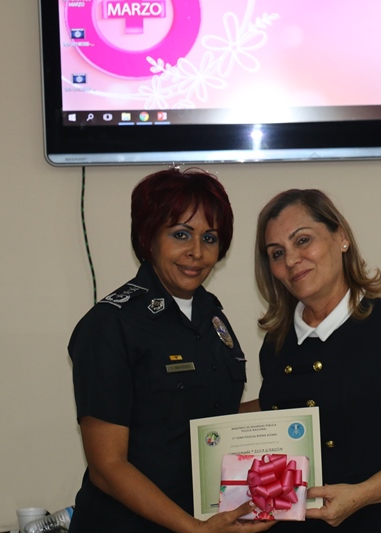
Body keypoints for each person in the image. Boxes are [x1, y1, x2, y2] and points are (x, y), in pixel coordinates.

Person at [67, 168, 273, 533]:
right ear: (148, 238)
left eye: (209, 238)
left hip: (204, 521)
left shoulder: (211, 316)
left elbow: (206, 419)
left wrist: (285, 404)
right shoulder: (111, 324)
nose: (196, 252)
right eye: (180, 234)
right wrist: (192, 528)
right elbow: (106, 467)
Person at [250, 189, 381, 532]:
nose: (291, 259)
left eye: (303, 240)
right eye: (277, 253)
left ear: (341, 237)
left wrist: (361, 494)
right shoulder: (275, 343)